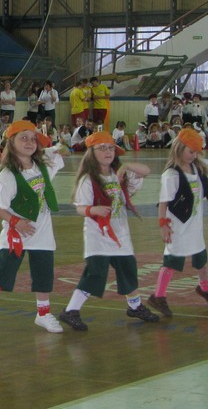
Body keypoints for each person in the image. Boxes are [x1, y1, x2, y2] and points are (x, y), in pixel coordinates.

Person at [59, 131, 159, 331]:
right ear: (91, 153)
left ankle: (135, 306)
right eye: (102, 148)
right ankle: (71, 310)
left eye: (111, 148)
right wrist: (92, 210)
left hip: (120, 234)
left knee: (128, 269)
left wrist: (126, 166)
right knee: (95, 273)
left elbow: (145, 170)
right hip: (98, 235)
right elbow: (80, 207)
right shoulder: (88, 179)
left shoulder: (118, 175)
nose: (108, 152)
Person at [0, 121, 65, 337]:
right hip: (17, 234)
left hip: (42, 232)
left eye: (33, 139)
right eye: (23, 138)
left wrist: (57, 146)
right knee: (2, 272)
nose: (30, 142)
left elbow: (62, 151)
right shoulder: (8, 175)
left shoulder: (43, 165)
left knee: (43, 274)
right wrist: (15, 222)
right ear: (11, 143)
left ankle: (43, 313)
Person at [147, 129, 208, 317]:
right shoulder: (171, 174)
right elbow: (163, 202)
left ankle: (204, 288)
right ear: (179, 148)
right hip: (177, 226)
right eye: (191, 151)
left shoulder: (198, 169)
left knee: (201, 259)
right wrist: (163, 224)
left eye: (196, 152)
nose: (194, 155)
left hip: (194, 225)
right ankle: (158, 296)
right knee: (172, 260)